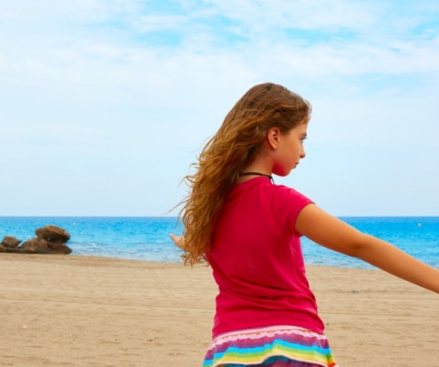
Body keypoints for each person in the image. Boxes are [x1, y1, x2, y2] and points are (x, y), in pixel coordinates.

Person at [170, 82, 439, 367]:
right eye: (301, 138)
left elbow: (230, 247)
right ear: (274, 136)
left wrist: (189, 242)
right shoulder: (281, 201)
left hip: (229, 351)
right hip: (290, 347)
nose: (302, 152)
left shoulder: (212, 210)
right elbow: (361, 245)